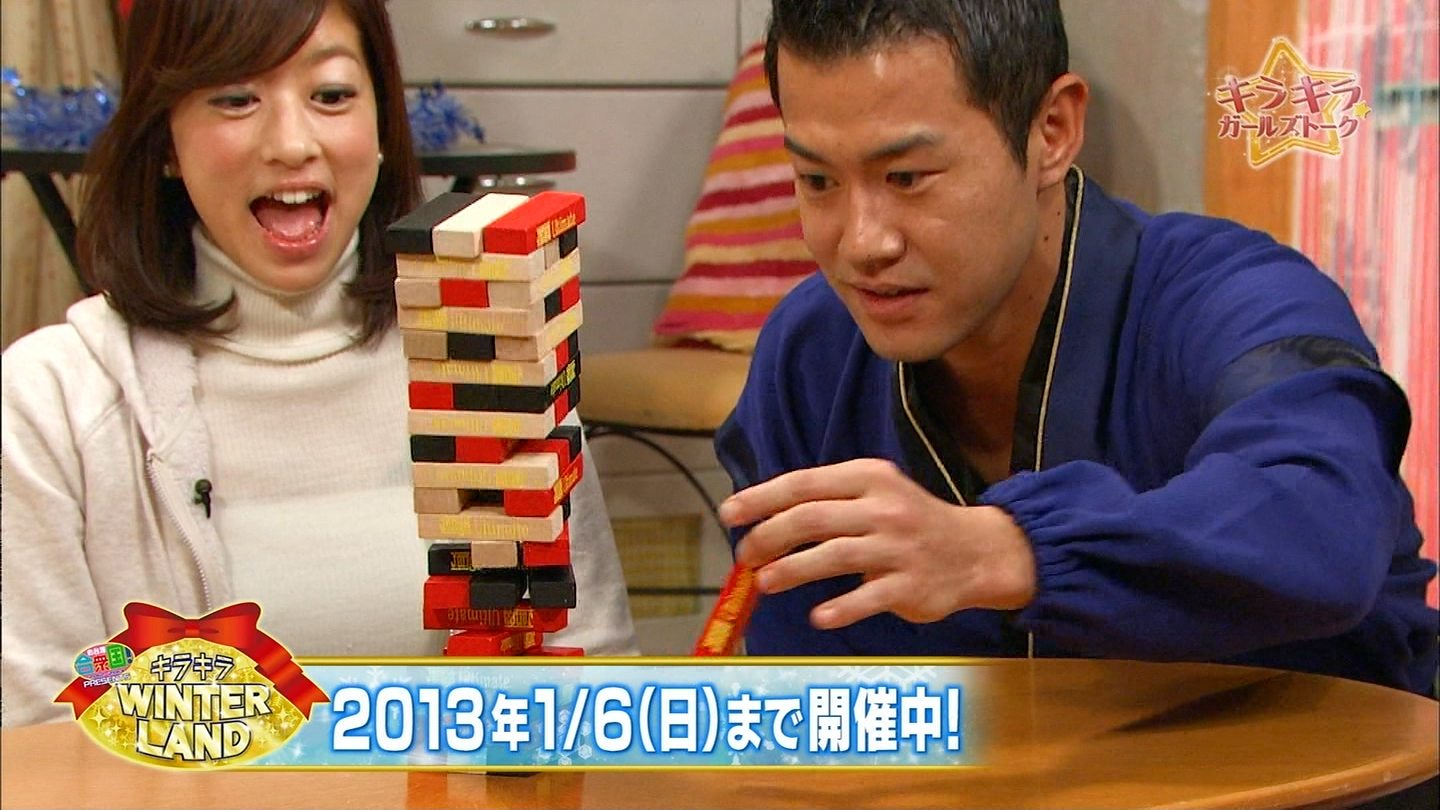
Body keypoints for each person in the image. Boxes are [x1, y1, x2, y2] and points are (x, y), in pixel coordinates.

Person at [715, 0, 1438, 694]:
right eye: (817, 181)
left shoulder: (1236, 300)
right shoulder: (810, 355)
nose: (863, 243)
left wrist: (1011, 549)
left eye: (907, 178)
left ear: (1052, 131)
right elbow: (817, 695)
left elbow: (1325, 522)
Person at [0, 0, 637, 728]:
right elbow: (36, 744)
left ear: (382, 126)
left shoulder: (500, 360)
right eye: (235, 99)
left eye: (331, 95)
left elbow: (594, 694)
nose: (292, 143)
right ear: (165, 140)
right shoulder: (49, 402)